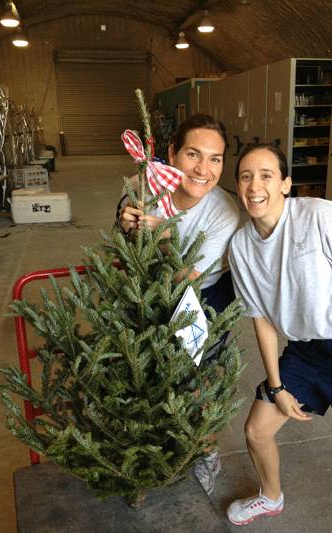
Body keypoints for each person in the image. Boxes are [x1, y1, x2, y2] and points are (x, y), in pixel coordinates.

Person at [226, 143, 332, 525]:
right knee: (256, 430)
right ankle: (270, 497)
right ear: (237, 186)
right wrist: (277, 387)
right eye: (246, 176)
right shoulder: (240, 247)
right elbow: (262, 320)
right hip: (305, 353)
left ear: (286, 184)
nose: (255, 185)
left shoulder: (320, 215)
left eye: (266, 175)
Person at [118, 113, 240, 495]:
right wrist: (126, 225)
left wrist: (165, 235)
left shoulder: (224, 214)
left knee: (194, 385)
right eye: (193, 154)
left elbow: (184, 281)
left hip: (203, 295)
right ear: (171, 152)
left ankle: (205, 454)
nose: (204, 169)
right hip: (145, 284)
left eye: (215, 158)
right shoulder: (143, 186)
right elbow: (123, 244)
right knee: (143, 370)